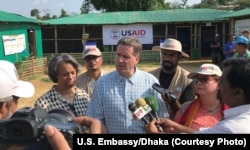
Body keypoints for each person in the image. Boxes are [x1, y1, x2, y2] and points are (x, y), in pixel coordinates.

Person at [85, 36, 168, 133]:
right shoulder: (102, 83)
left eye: (125, 57)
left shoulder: (151, 82)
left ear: (136, 59)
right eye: (118, 55)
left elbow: (163, 118)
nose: (120, 60)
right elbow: (94, 120)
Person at [144, 58, 250, 134]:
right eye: (197, 79)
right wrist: (176, 127)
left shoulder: (232, 127)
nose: (198, 83)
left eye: (204, 79)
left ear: (238, 93)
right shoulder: (187, 107)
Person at [149, 38, 195, 119]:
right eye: (164, 54)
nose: (167, 58)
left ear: (179, 57)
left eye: (171, 55)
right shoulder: (149, 76)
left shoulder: (187, 80)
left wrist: (173, 102)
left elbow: (186, 113)